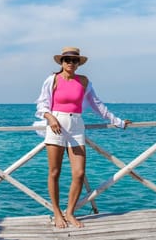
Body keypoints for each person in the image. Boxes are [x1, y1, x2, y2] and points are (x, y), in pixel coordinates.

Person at [34, 47, 131, 228]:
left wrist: (118, 122)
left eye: (74, 60)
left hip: (77, 126)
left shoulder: (84, 81)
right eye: (67, 60)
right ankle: (57, 212)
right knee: (54, 172)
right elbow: (41, 104)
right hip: (56, 125)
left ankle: (70, 212)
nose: (70, 63)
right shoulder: (52, 79)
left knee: (79, 173)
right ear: (61, 62)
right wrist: (50, 117)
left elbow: (97, 105)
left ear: (78, 64)